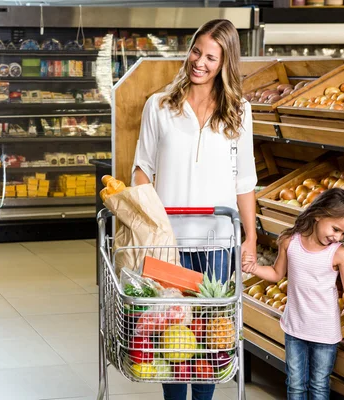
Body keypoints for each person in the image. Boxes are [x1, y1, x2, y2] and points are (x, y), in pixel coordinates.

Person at [131, 18, 257, 400]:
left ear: (225, 63)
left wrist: (250, 237)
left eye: (211, 57)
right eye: (196, 51)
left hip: (217, 244)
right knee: (171, 338)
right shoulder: (159, 105)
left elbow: (244, 182)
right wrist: (146, 227)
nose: (199, 62)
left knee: (207, 342)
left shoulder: (240, 112)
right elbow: (142, 170)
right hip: (169, 243)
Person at [242, 188, 344, 399]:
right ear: (318, 214)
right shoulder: (289, 242)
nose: (337, 237)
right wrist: (253, 269)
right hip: (295, 330)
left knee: (319, 387)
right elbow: (277, 274)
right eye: (335, 229)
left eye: (343, 233)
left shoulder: (339, 254)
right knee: (295, 386)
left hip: (325, 334)